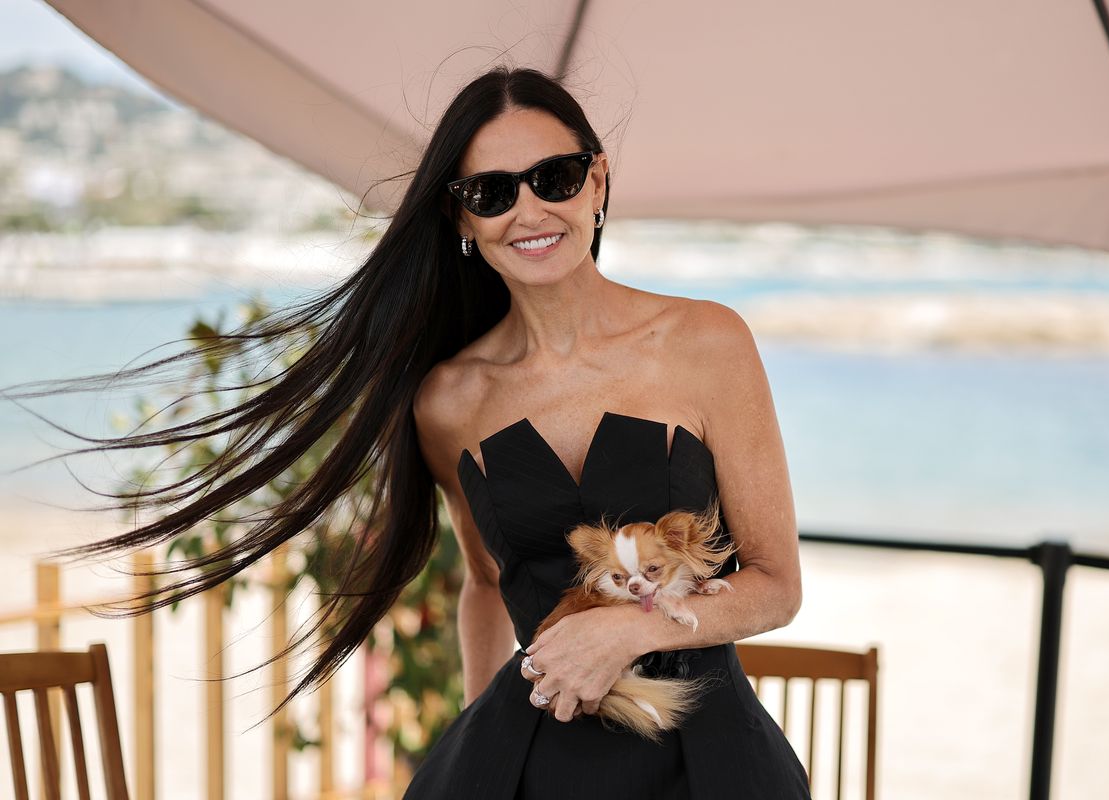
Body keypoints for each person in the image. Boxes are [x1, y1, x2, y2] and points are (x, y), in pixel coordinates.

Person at [7, 65, 811, 799]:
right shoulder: (447, 401)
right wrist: (486, 735)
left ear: (596, 182)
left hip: (709, 763)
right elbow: (489, 584)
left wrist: (624, 631)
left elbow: (776, 584)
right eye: (492, 193)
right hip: (533, 756)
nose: (529, 210)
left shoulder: (708, 343)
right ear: (461, 216)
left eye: (554, 178)